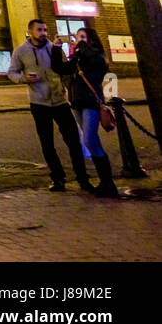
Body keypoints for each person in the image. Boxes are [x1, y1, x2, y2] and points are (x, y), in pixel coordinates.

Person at [7, 19, 93, 192]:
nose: (43, 33)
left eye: (45, 29)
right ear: (30, 31)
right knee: (47, 143)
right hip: (39, 102)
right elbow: (12, 72)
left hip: (60, 101)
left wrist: (68, 90)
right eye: (39, 30)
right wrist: (24, 79)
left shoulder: (54, 48)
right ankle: (58, 178)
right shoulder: (21, 51)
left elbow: (64, 70)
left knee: (73, 141)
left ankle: (83, 178)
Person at [67, 27, 119, 198]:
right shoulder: (78, 57)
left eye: (82, 37)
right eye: (77, 38)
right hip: (77, 103)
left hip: (91, 101)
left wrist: (82, 47)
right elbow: (61, 69)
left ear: (91, 40)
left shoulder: (97, 56)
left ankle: (108, 182)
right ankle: (105, 182)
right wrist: (54, 49)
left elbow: (98, 67)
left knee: (89, 139)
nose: (78, 40)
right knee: (90, 140)